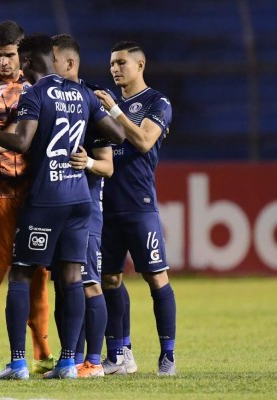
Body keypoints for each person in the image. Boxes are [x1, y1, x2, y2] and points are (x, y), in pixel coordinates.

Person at [0, 34, 124, 380]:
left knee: (21, 273)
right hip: (79, 199)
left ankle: (17, 363)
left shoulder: (35, 93)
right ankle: (68, 363)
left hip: (45, 199)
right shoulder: (83, 94)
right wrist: (87, 157)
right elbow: (118, 135)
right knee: (72, 277)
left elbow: (20, 141)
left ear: (28, 62)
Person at [0, 20, 54, 378]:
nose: (2, 62)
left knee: (38, 273)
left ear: (22, 53)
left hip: (35, 194)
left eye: (8, 55)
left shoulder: (36, 85)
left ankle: (43, 352)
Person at [94, 41, 176, 376]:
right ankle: (121, 352)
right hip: (106, 205)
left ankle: (167, 355)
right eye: (112, 63)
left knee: (156, 278)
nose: (115, 69)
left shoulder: (158, 102)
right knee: (109, 278)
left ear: (140, 65)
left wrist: (114, 112)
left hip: (140, 206)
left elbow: (143, 141)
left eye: (122, 63)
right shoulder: (106, 104)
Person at [51, 34, 124, 378]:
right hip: (56, 207)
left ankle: (94, 362)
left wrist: (88, 164)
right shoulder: (49, 99)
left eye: (52, 62)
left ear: (68, 62)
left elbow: (107, 164)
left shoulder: (90, 100)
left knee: (89, 282)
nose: (48, 70)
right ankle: (70, 359)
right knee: (63, 287)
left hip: (86, 210)